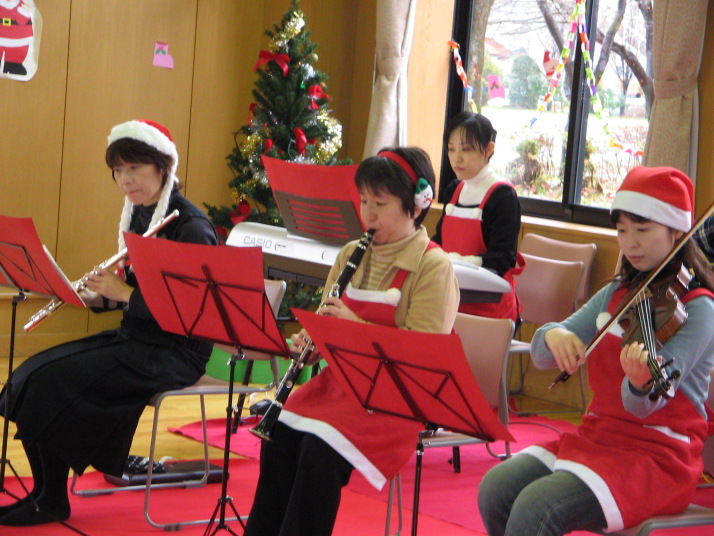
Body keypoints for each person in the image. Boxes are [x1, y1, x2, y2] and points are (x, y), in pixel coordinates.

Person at [0, 119, 218, 526]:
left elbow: (192, 314)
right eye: (118, 171)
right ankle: (44, 493)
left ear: (163, 166)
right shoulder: (141, 215)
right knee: (29, 375)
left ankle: (51, 499)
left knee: (53, 384)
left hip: (175, 353)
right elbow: (131, 291)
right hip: (138, 339)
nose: (125, 180)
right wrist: (93, 296)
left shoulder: (191, 228)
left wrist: (126, 294)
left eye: (134, 167)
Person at [477, 165, 714, 535]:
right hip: (598, 437)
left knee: (538, 505)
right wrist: (553, 336)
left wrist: (638, 384)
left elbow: (646, 403)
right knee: (495, 488)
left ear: (677, 231)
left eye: (642, 230)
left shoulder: (699, 309)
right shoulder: (616, 294)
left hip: (659, 457)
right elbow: (541, 353)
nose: (629, 243)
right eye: (622, 230)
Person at [244, 147, 460, 536]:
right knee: (278, 434)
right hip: (340, 387)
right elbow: (328, 327)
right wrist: (313, 345)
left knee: (318, 451)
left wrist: (354, 326)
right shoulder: (350, 254)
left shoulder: (433, 266)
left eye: (381, 203)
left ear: (416, 205)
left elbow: (422, 357)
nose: (368, 214)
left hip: (395, 400)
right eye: (363, 201)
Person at [432, 111, 524, 324]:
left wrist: (455, 262)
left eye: (466, 149)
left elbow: (502, 258)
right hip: (450, 299)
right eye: (451, 149)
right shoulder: (454, 190)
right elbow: (440, 240)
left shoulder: (502, 195)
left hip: (489, 309)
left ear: (489, 149)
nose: (456, 158)